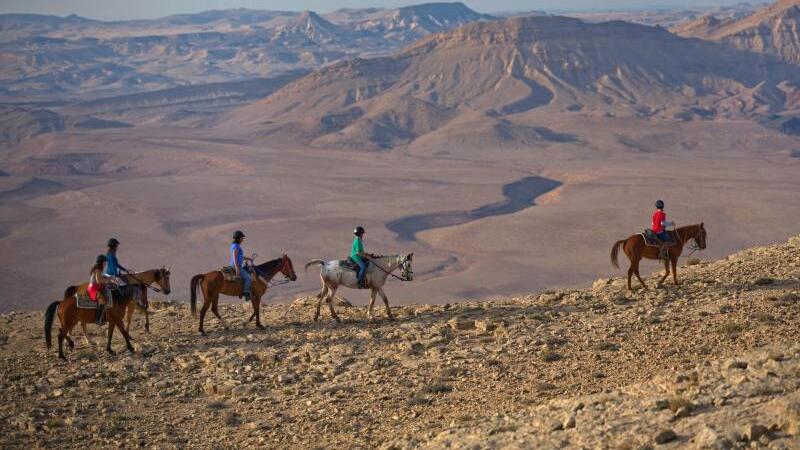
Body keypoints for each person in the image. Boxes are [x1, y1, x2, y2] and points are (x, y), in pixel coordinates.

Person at [231, 230, 254, 300]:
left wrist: (249, 259)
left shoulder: (236, 246)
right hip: (237, 266)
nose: (242, 239)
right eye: (242, 238)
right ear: (238, 238)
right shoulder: (235, 246)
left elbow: (240, 256)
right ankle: (245, 292)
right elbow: (234, 256)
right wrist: (237, 267)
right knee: (249, 279)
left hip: (237, 265)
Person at [89, 254, 110, 325]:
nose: (105, 264)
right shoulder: (97, 271)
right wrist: (108, 281)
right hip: (94, 289)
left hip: (96, 287)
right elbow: (98, 281)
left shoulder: (98, 270)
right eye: (104, 262)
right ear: (101, 263)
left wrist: (107, 278)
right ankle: (98, 319)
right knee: (102, 302)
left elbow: (101, 278)